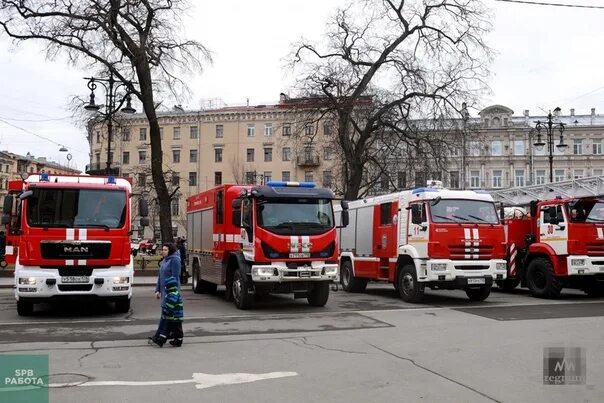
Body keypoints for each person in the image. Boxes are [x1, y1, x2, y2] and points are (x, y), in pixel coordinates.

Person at [148, 243, 181, 345]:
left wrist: (172, 291)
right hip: (163, 291)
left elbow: (175, 277)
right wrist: (157, 290)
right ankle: (177, 338)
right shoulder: (164, 261)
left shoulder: (175, 260)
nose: (163, 251)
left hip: (171, 291)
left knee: (166, 315)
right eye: (162, 249)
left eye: (165, 250)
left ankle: (159, 336)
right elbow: (160, 277)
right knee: (174, 316)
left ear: (170, 251)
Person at [148, 276, 184, 347]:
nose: (165, 288)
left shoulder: (172, 295)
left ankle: (161, 340)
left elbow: (170, 307)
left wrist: (165, 312)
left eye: (166, 287)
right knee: (178, 330)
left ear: (169, 287)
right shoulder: (176, 293)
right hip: (178, 317)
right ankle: (178, 341)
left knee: (166, 329)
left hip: (172, 317)